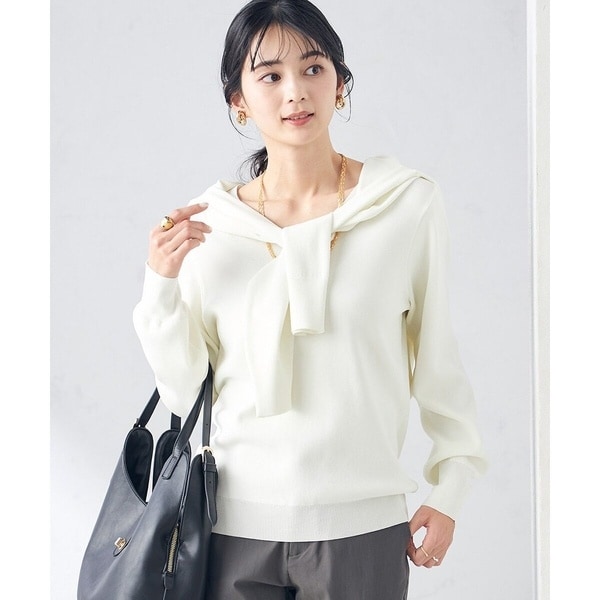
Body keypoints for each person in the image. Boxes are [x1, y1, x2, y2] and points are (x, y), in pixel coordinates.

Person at [133, 0, 486, 598]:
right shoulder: (212, 226)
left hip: (363, 528)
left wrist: (451, 487)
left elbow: (438, 359)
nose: (295, 91)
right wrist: (160, 283)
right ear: (238, 100)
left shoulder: (405, 205)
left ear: (340, 84)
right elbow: (183, 390)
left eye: (313, 68)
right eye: (269, 75)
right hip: (232, 530)